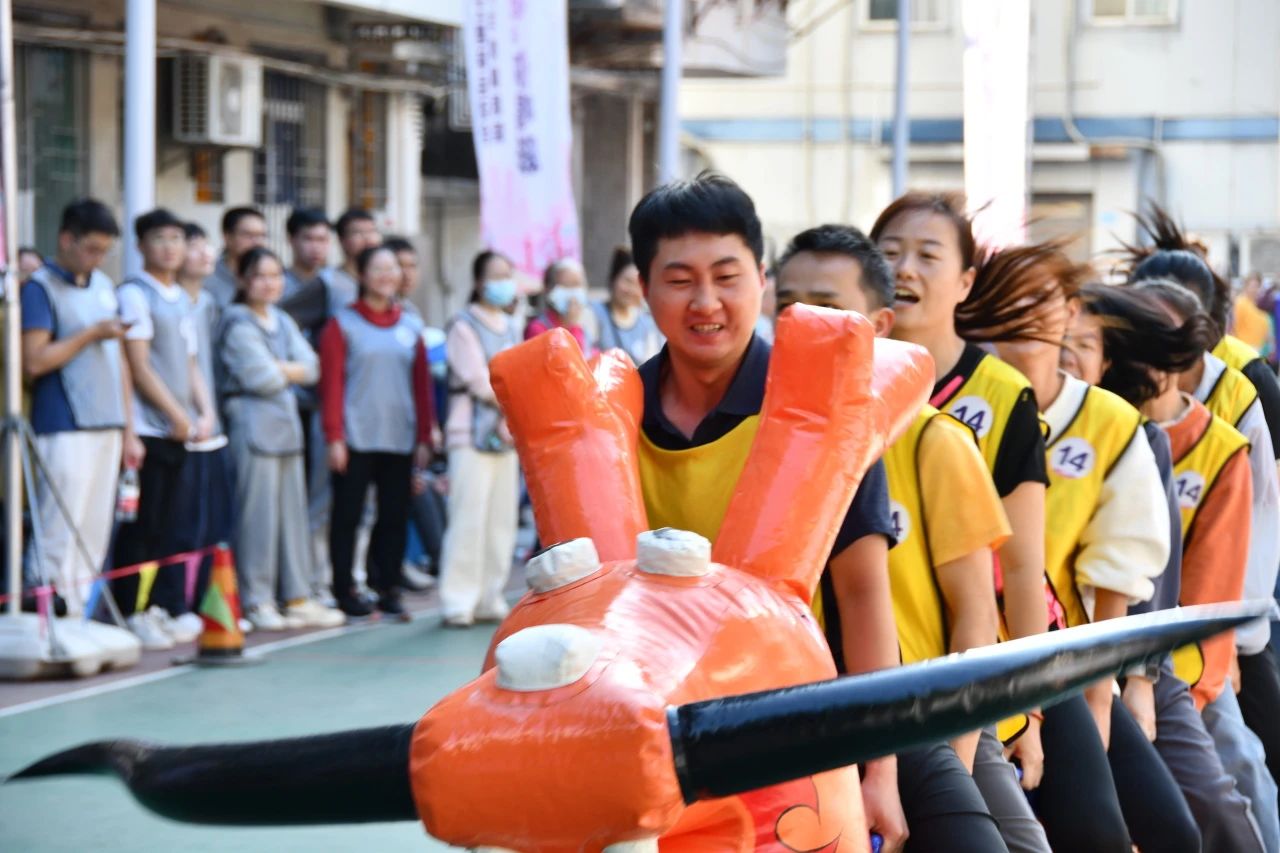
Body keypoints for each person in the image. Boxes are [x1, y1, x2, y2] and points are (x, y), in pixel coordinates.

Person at [630, 174, 905, 850]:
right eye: (679, 280)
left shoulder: (820, 405)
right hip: (652, 733)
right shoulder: (611, 413)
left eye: (727, 277)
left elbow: (863, 594)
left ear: (761, 278)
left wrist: (881, 771)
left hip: (811, 720)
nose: (706, 303)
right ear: (643, 288)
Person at [776, 223, 1010, 852]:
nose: (803, 325)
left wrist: (959, 753)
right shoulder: (750, 427)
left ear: (879, 326)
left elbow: (976, 617)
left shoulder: (934, 439)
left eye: (826, 307)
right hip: (782, 716)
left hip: (922, 708)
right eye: (788, 306)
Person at [869, 192, 1053, 853]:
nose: (905, 269)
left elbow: (1023, 572)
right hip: (865, 690)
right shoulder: (826, 394)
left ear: (966, 281)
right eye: (889, 253)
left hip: (978, 669)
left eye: (927, 255)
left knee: (1093, 822)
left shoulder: (1001, 394)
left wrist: (1028, 710)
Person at [1065, 284, 1269, 851]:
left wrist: (1145, 679)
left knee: (1226, 782)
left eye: (1082, 344)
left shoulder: (1171, 440)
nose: (1065, 356)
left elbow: (1185, 591)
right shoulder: (1037, 420)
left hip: (1158, 650)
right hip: (1064, 657)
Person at [20, 199, 138, 616]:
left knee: (94, 530)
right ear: (66, 240)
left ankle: (78, 614)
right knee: (59, 525)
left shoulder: (104, 285)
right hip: (63, 423)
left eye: (104, 250)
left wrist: (129, 428)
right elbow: (34, 361)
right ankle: (45, 613)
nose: (97, 258)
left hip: (108, 421)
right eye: (91, 248)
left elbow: (120, 362)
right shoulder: (40, 288)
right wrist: (91, 334)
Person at [215, 247, 343, 631]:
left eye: (275, 275)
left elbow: (314, 367)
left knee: (292, 516)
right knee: (258, 518)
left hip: (285, 426)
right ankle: (257, 599)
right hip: (252, 424)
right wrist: (290, 370)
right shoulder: (237, 322)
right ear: (243, 280)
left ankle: (296, 597)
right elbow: (261, 378)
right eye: (260, 275)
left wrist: (282, 369)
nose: (270, 283)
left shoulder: (282, 320)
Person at [111, 208, 218, 649]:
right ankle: (128, 611)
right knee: (142, 527)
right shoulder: (134, 294)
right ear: (140, 246)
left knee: (169, 527)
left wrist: (203, 412)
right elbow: (138, 364)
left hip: (180, 432)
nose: (170, 247)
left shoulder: (180, 298)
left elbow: (190, 364)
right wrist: (175, 414)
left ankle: (155, 606)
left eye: (177, 238)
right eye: (160, 239)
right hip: (151, 431)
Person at [319, 245, 435, 619]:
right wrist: (334, 436)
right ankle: (345, 589)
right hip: (355, 437)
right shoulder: (342, 324)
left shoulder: (411, 326)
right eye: (378, 268)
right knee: (347, 516)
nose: (387, 275)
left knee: (394, 516)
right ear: (362, 274)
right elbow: (332, 385)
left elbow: (422, 386)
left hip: (399, 436)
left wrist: (424, 436)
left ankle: (387, 586)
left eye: (393, 268)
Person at [437, 250, 522, 627]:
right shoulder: (463, 324)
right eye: (496, 275)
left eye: (508, 275)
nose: (504, 283)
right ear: (478, 282)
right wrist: (514, 400)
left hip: (506, 437)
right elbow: (477, 379)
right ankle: (458, 600)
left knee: (501, 520)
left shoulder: (512, 325)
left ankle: (490, 596)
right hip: (469, 434)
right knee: (468, 518)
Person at [173, 221, 240, 632]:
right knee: (178, 523)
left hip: (210, 426)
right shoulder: (170, 301)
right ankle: (172, 606)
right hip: (177, 428)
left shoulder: (210, 303)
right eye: (193, 245)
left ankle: (205, 603)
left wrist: (210, 414)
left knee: (212, 521)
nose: (204, 253)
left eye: (205, 245)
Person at [280, 206, 337, 598]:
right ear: (291, 240)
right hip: (283, 407)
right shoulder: (276, 284)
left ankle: (315, 580)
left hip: (318, 408)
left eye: (322, 239)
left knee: (318, 502)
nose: (316, 247)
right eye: (308, 239)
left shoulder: (331, 286)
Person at [589, 247, 663, 365]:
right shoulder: (594, 313)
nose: (631, 290)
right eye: (627, 281)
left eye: (638, 285)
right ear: (614, 278)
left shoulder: (647, 323)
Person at [204, 206, 268, 309]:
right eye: (248, 235)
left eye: (262, 235)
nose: (258, 242)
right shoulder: (207, 278)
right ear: (227, 237)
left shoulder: (272, 279)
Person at [526, 258, 593, 353]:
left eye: (577, 284)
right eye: (566, 285)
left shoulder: (582, 329)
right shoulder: (538, 328)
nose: (573, 293)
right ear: (549, 289)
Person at [329, 208, 381, 316]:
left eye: (372, 231)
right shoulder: (327, 281)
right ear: (341, 240)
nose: (368, 239)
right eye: (358, 232)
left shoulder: (385, 280)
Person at [382, 236, 423, 321]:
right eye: (400, 266)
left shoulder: (412, 312)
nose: (407, 274)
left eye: (412, 266)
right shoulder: (376, 310)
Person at [1234, 273, 1274, 356]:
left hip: (1259, 349)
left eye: (1257, 286)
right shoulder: (1240, 303)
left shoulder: (1261, 305)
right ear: (1246, 286)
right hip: (1243, 348)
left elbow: (1266, 330)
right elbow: (1234, 328)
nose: (1254, 289)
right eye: (1252, 286)